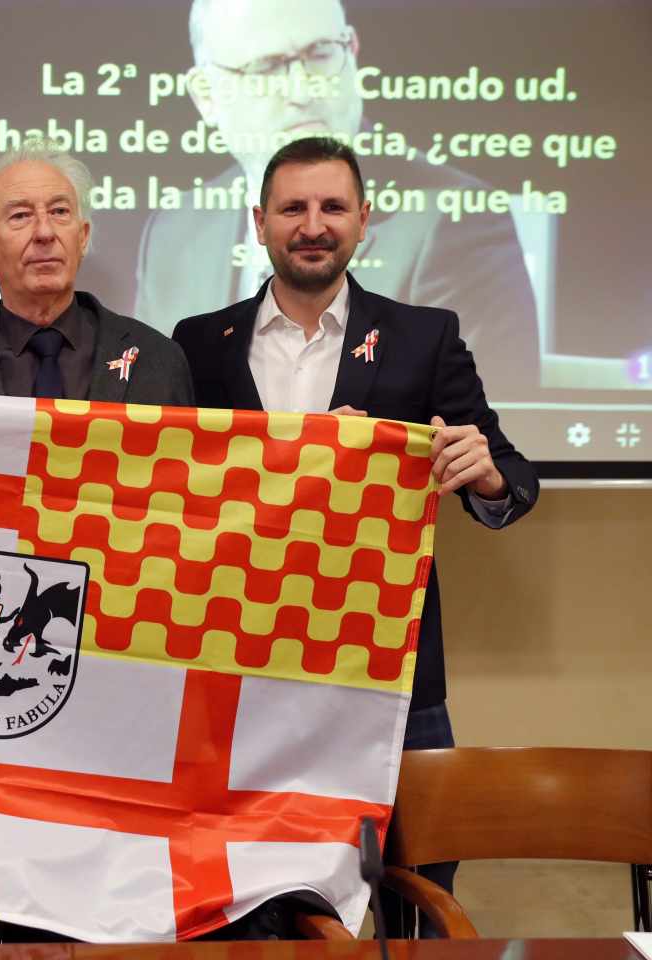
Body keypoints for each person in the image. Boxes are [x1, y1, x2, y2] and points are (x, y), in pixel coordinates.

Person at [173, 136, 538, 933]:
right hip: (242, 668)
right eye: (294, 208)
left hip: (394, 673)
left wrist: (483, 470)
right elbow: (174, 490)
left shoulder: (423, 335)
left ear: (365, 220)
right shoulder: (199, 342)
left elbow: (511, 475)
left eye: (333, 207)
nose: (314, 225)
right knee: (249, 903)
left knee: (414, 897)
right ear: (259, 220)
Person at [137, 0, 539, 397]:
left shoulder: (454, 216)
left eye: (320, 55)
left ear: (353, 52)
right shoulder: (176, 229)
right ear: (206, 95)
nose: (303, 89)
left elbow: (483, 421)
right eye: (268, 67)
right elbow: (154, 407)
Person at [0, 145, 192, 405]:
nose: (45, 232)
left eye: (59, 211)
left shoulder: (158, 359)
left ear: (83, 236)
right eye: (20, 216)